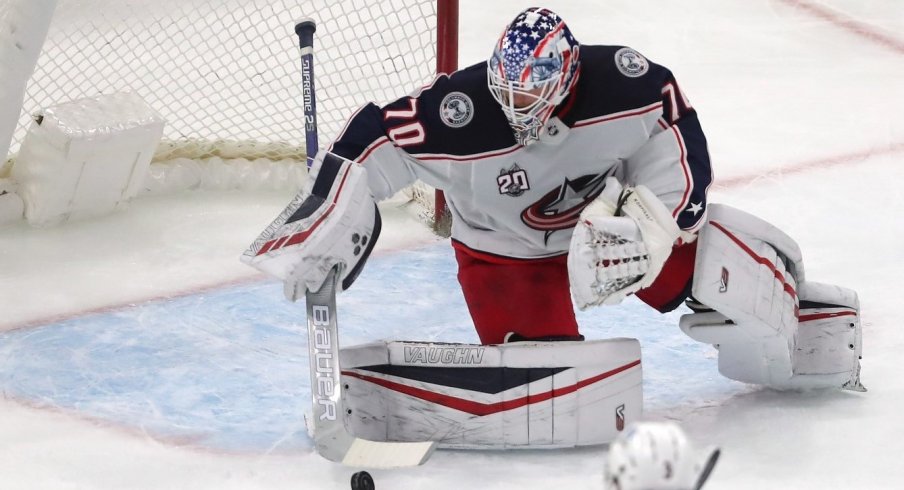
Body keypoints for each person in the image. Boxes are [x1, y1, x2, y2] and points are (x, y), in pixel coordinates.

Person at [243, 7, 862, 394]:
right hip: (502, 249)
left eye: (531, 92)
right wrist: (329, 213)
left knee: (709, 264)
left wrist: (652, 223)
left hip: (607, 227)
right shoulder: (459, 114)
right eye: (505, 91)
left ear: (566, 76)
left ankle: (798, 326)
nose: (515, 109)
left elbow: (674, 128)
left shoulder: (624, 83)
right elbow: (372, 137)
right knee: (547, 379)